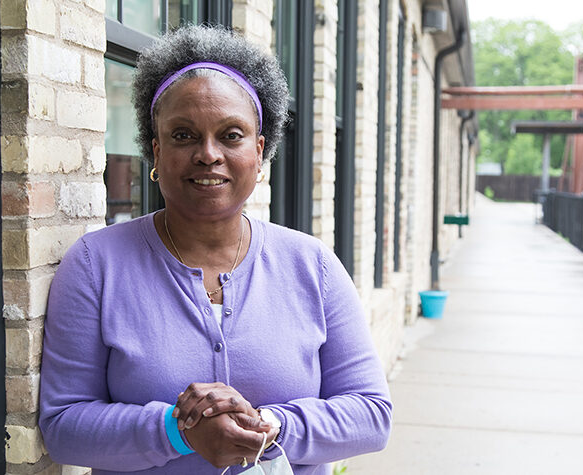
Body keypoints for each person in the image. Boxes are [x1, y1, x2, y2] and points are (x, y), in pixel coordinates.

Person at [38, 24, 392, 475]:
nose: (208, 154)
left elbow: (372, 415)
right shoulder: (95, 266)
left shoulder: (312, 266)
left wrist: (269, 425)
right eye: (184, 135)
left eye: (231, 135)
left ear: (259, 153)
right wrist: (177, 430)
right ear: (156, 151)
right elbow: (64, 427)